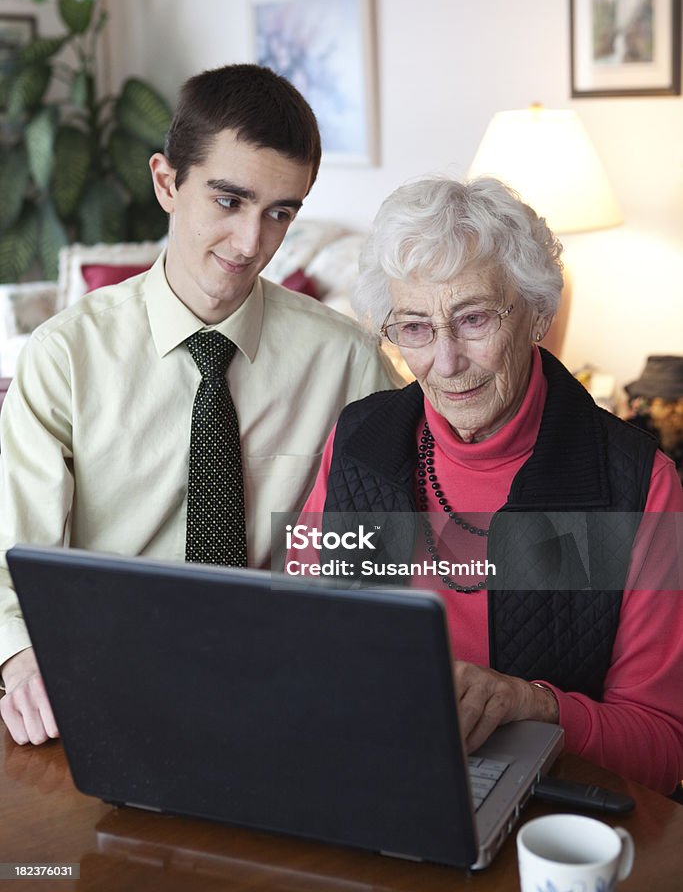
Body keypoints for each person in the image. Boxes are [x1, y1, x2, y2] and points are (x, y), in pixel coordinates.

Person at [0, 64, 399, 746]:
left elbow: (394, 549)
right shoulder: (63, 356)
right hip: (107, 681)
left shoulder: (348, 361)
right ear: (166, 183)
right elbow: (15, 555)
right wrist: (24, 658)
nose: (252, 243)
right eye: (228, 201)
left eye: (280, 212)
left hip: (286, 688)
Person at [290, 175, 683, 795]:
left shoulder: (632, 485)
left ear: (536, 314)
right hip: (368, 779)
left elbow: (663, 749)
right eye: (415, 327)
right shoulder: (360, 445)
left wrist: (536, 705)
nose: (446, 363)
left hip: (545, 819)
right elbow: (302, 639)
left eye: (473, 319)